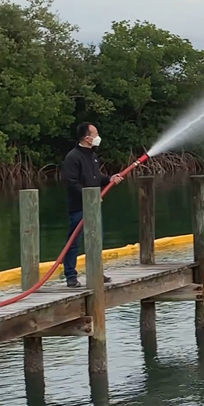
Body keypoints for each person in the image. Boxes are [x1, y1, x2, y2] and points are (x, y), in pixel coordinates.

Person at [60, 122, 123, 288]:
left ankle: (95, 271)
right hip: (78, 208)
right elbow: (71, 183)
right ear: (87, 138)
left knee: (96, 240)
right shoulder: (72, 157)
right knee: (73, 241)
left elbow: (96, 177)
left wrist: (109, 179)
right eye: (95, 135)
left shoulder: (93, 155)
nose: (98, 138)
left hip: (94, 208)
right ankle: (70, 276)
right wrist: (89, 198)